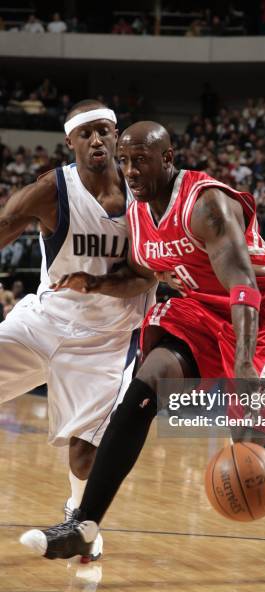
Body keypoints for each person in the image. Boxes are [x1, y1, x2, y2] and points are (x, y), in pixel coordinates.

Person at [21, 122, 265, 587]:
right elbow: (145, 274)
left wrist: (244, 362)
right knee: (143, 389)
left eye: (139, 160)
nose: (129, 171)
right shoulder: (139, 210)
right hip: (200, 313)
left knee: (250, 438)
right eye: (124, 161)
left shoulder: (206, 203)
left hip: (262, 317)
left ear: (168, 159)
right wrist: (98, 283)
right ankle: (84, 525)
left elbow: (244, 285)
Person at [0, 102, 156, 561]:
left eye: (104, 131)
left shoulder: (142, 196)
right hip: (45, 322)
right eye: (85, 133)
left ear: (116, 135)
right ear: (70, 142)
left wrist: (99, 283)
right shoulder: (52, 189)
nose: (96, 141)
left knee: (85, 455)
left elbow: (147, 276)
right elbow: (5, 225)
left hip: (109, 338)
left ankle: (80, 519)